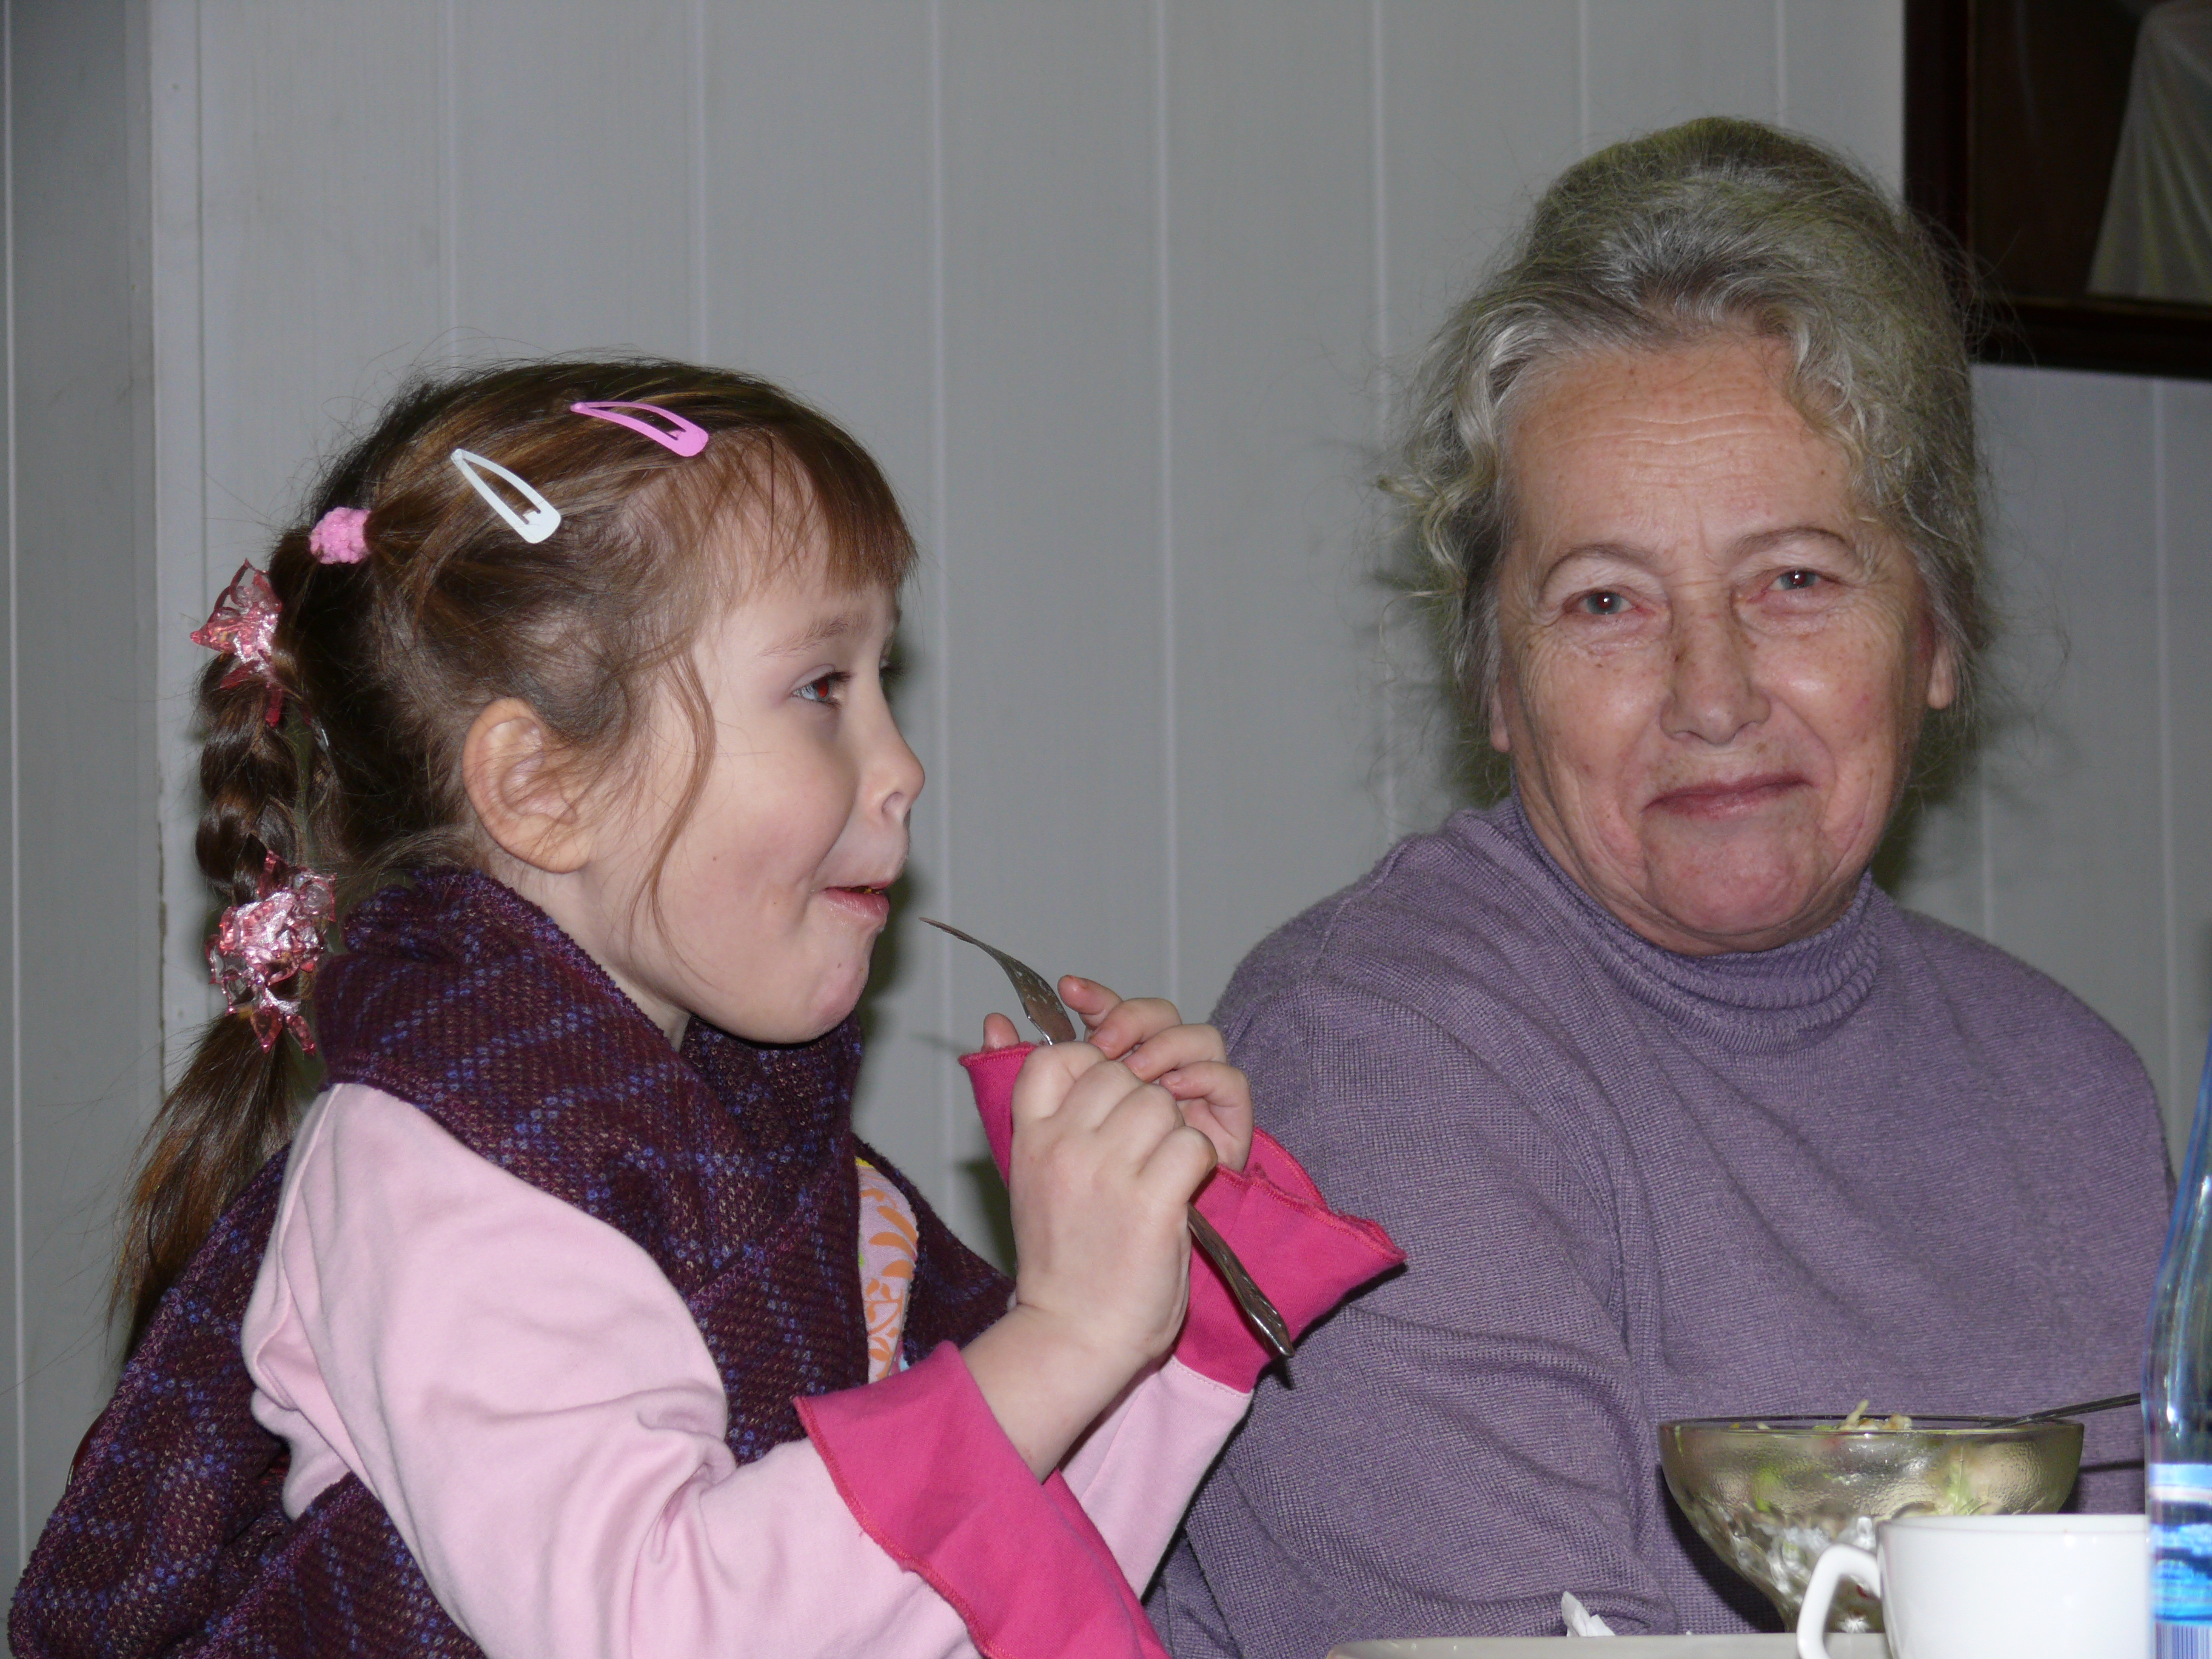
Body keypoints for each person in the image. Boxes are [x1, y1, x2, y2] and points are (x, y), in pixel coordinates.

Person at [10, 360, 1399, 1659]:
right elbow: (665, 1626)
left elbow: (952, 1584)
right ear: (544, 788)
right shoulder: (441, 1177)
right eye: (821, 688)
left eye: (883, 683)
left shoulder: (772, 1150)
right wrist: (1064, 1339)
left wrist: (1163, 1291)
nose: (902, 766)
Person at [1150, 117, 2174, 1652]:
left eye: (1796, 581)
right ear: (1497, 684)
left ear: (1936, 633)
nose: (1712, 693)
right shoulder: (1375, 1068)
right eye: (1607, 602)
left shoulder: (2070, 1090)